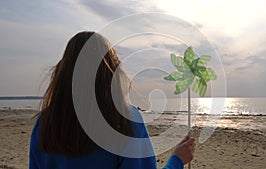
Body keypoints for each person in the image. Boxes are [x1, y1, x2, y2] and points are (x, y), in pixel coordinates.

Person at [29, 31, 195, 169]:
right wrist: (177, 161)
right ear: (111, 74)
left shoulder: (44, 123)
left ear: (63, 73)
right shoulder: (126, 121)